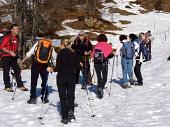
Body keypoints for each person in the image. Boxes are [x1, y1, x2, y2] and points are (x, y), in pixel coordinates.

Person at [47, 39, 81, 124]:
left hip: (61, 77)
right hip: (71, 77)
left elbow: (57, 68)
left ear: (62, 45)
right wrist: (80, 64)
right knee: (71, 96)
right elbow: (78, 68)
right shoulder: (74, 54)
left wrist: (50, 69)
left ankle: (65, 117)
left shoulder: (60, 54)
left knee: (63, 97)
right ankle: (71, 112)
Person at [22, 37, 54, 104]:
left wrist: (23, 60)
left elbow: (29, 53)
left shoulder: (38, 43)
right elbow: (54, 58)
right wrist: (53, 66)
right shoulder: (51, 46)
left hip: (35, 65)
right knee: (44, 82)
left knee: (33, 82)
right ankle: (44, 97)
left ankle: (32, 98)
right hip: (45, 66)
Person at [0, 24, 28, 92]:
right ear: (11, 30)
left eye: (17, 29)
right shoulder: (7, 37)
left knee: (17, 70)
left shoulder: (16, 37)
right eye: (15, 29)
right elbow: (2, 47)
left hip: (13, 56)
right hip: (5, 55)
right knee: (6, 71)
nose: (17, 30)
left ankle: (20, 85)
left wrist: (16, 53)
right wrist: (10, 52)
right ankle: (7, 86)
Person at [91, 34, 113, 99]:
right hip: (104, 63)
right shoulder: (107, 45)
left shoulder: (96, 45)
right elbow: (110, 55)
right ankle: (101, 88)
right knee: (105, 77)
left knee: (99, 77)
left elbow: (92, 55)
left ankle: (99, 88)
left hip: (96, 63)